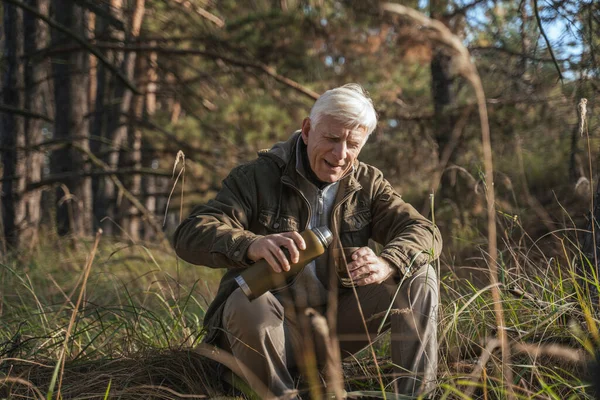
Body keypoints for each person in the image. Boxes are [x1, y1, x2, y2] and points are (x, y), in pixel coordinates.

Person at [173, 84, 442, 398]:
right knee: (245, 300)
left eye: (352, 144)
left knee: (419, 276)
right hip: (266, 331)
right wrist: (250, 244)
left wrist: (388, 262)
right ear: (306, 130)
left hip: (331, 330)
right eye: (331, 138)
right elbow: (190, 233)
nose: (340, 154)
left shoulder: (367, 183)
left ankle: (415, 396)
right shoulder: (257, 177)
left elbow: (425, 231)